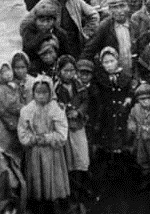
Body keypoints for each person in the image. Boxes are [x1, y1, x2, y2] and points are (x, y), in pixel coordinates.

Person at [18, 75, 70, 213]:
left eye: (44, 93)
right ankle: (37, 205)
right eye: (37, 93)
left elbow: (62, 133)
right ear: (33, 93)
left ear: (50, 92)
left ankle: (53, 205)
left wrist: (47, 138)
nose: (41, 96)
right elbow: (22, 132)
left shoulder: (56, 109)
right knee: (37, 180)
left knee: (52, 180)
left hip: (52, 153)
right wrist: (33, 139)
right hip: (35, 152)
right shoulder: (27, 110)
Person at [21, 0, 99, 59]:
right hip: (54, 43)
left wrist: (86, 33)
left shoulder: (75, 0)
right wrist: (38, 38)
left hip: (75, 42)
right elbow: (25, 23)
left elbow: (94, 15)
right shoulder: (45, 2)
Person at [55, 55, 90, 213]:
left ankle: (82, 190)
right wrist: (64, 111)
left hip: (78, 125)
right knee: (69, 160)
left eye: (72, 70)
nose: (69, 74)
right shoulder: (56, 87)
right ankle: (72, 194)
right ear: (59, 71)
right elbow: (54, 104)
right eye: (65, 70)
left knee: (81, 157)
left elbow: (85, 100)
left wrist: (79, 111)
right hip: (65, 128)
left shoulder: (79, 85)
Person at [0, 55, 34, 162]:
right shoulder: (1, 89)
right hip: (13, 124)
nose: (8, 73)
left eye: (8, 70)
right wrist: (28, 110)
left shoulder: (7, 85)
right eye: (3, 72)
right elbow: (13, 106)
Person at [83, 0, 137, 76]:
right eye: (114, 7)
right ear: (109, 10)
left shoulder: (134, 26)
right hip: (110, 75)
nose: (119, 11)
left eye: (122, 6)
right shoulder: (104, 27)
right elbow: (89, 51)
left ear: (128, 7)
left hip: (131, 73)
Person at [96, 47, 133, 155]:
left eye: (112, 61)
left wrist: (129, 98)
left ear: (117, 60)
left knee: (122, 134)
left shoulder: (125, 76)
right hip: (107, 112)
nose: (109, 65)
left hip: (123, 111)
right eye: (106, 62)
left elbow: (130, 89)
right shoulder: (100, 78)